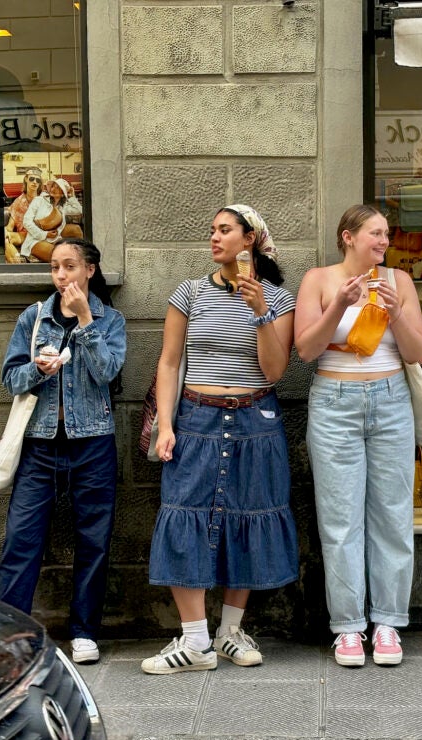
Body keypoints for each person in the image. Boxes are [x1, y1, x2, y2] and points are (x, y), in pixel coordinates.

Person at [143, 204, 298, 675]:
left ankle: (229, 632)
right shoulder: (189, 293)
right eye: (212, 229)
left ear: (249, 239)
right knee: (183, 513)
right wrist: (166, 424)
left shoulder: (280, 299)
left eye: (224, 230)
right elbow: (169, 363)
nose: (214, 237)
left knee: (249, 516)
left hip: (256, 419)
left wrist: (260, 312)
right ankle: (194, 641)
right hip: (196, 417)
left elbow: (275, 370)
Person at [294, 204, 422, 667]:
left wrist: (394, 315)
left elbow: (417, 353)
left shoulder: (399, 283)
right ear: (347, 236)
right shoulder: (319, 279)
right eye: (376, 233)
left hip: (391, 399)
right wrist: (339, 307)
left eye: (387, 234)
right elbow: (307, 350)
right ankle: (348, 628)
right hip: (335, 401)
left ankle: (388, 622)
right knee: (340, 518)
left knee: (393, 513)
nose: (385, 241)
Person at [0, 238, 125, 665]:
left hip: (94, 444)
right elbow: (10, 379)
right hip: (41, 445)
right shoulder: (34, 317)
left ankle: (84, 632)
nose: (62, 275)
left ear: (89, 270)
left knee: (94, 540)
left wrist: (86, 322)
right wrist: (37, 369)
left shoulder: (111, 321)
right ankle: (9, 632)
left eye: (70, 266)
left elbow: (107, 373)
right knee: (22, 539)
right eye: (55, 268)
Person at [20, 177, 84, 263]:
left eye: (58, 187)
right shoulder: (39, 200)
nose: (54, 189)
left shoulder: (63, 206)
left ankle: (82, 258)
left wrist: (72, 196)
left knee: (76, 229)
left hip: (56, 237)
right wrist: (45, 234)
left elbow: (79, 211)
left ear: (63, 193)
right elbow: (26, 221)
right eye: (53, 186)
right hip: (36, 239)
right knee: (57, 256)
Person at [4, 167, 43, 263]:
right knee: (5, 239)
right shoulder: (19, 202)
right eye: (31, 179)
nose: (34, 182)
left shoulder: (44, 200)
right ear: (26, 179)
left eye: (37, 180)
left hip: (41, 235)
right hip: (24, 235)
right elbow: (10, 227)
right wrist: (5, 231)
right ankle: (19, 262)